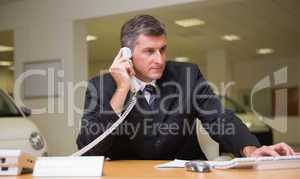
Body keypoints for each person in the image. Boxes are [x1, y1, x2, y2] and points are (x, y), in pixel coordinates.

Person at [77, 15, 295, 160]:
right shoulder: (101, 86)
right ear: (126, 53)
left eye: (162, 50)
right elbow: (90, 150)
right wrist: (122, 89)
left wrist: (252, 150)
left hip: (187, 174)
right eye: (149, 51)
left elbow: (219, 118)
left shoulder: (186, 75)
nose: (159, 59)